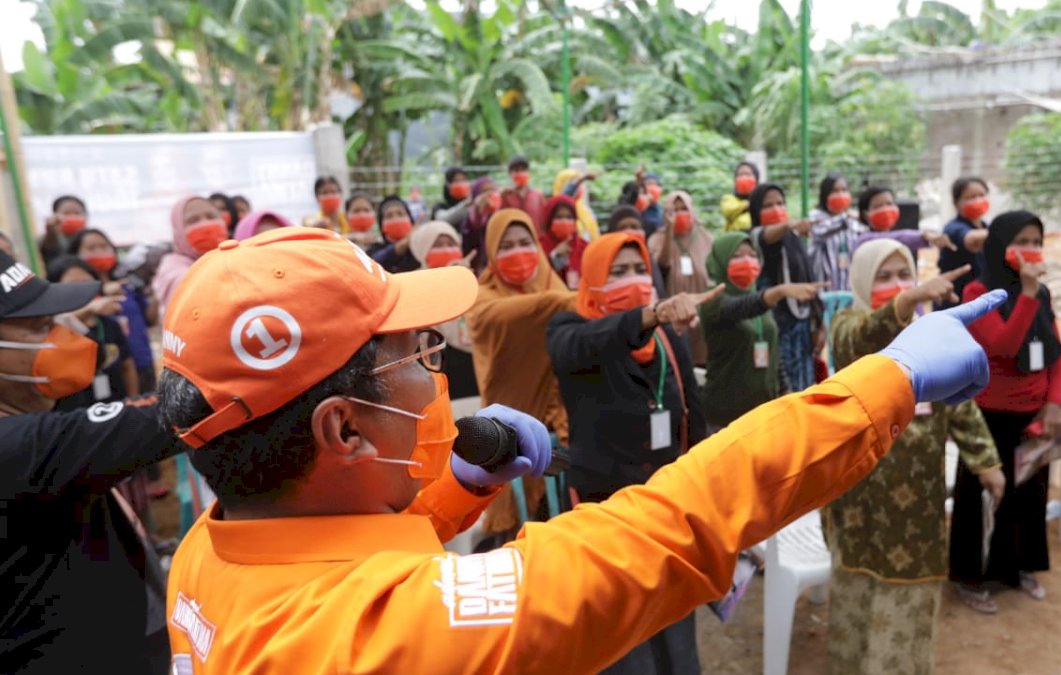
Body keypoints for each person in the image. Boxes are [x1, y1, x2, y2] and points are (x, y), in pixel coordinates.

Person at [154, 225, 1009, 673]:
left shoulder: (209, 547)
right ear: (342, 429)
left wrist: (452, 487)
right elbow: (665, 525)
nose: (435, 374)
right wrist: (887, 381)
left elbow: (332, 557)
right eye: (415, 356)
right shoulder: (385, 632)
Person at [824, 239, 1004, 672]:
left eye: (904, 274)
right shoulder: (848, 322)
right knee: (857, 591)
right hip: (859, 502)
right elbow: (857, 344)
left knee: (909, 596)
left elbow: (959, 401)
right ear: (862, 281)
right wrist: (909, 299)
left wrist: (986, 461)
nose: (897, 285)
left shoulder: (933, 334)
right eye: (883, 277)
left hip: (918, 507)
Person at [0, 249, 182, 674]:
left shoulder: (30, 427)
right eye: (41, 328)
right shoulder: (17, 447)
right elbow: (173, 415)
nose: (64, 340)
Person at [547, 232, 713, 674]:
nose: (633, 279)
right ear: (592, 281)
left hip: (667, 513)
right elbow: (582, 346)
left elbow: (693, 421)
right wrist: (649, 313)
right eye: (617, 272)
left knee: (677, 639)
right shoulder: (569, 332)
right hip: (605, 515)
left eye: (639, 269)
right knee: (622, 643)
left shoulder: (668, 343)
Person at [950, 210, 1061, 612]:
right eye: (1022, 240)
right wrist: (1028, 298)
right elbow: (1001, 345)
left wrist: (1054, 402)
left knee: (1029, 496)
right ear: (1000, 244)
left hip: (1036, 414)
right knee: (980, 498)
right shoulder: (976, 293)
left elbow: (1056, 354)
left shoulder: (1042, 293)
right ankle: (970, 575)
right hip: (988, 415)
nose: (1031, 249)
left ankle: (1020, 568)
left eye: (1037, 240)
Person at [467, 209, 576, 539]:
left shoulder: (551, 283)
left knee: (562, 532)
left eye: (525, 242)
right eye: (506, 246)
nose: (518, 252)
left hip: (562, 429)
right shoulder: (484, 299)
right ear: (491, 253)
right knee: (516, 537)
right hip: (509, 436)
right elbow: (500, 316)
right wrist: (571, 302)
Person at [699, 232, 824, 430]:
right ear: (720, 260)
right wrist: (779, 291)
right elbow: (741, 308)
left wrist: (785, 390)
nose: (747, 261)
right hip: (727, 417)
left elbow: (772, 348)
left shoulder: (758, 297)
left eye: (752, 254)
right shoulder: (712, 302)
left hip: (765, 412)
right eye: (737, 256)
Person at [749, 182, 823, 392]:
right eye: (768, 205)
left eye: (780, 203)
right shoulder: (753, 238)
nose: (776, 209)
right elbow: (764, 235)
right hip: (774, 330)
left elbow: (808, 278)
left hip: (800, 329)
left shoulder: (794, 240)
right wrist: (788, 225)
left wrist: (818, 321)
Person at [68, 228, 159, 393]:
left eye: (104, 246)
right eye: (91, 248)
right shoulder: (75, 288)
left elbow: (149, 320)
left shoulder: (129, 284)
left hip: (143, 362)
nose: (99, 252)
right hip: (109, 370)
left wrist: (154, 294)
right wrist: (101, 294)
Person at [46, 256, 139, 409]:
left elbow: (127, 366)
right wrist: (89, 309)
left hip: (116, 406)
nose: (82, 290)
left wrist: (133, 402)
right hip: (74, 414)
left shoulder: (109, 324)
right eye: (72, 285)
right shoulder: (54, 329)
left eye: (86, 283)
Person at [409, 220, 478, 399]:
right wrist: (447, 285)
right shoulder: (414, 284)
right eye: (437, 245)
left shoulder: (473, 280)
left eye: (451, 244)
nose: (446, 249)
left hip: (473, 367)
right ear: (423, 250)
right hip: (436, 371)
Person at [648, 190, 713, 366]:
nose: (680, 214)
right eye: (674, 210)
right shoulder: (657, 239)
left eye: (684, 208)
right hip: (674, 312)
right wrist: (669, 230)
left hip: (702, 312)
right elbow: (662, 266)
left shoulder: (706, 237)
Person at [153, 195, 228, 312]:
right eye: (193, 220)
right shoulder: (172, 267)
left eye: (211, 216)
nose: (205, 224)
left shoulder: (233, 255)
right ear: (178, 230)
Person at [854, 185, 955, 257]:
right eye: (878, 206)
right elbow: (897, 238)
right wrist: (923, 236)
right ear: (866, 214)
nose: (886, 209)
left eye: (889, 204)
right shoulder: (864, 240)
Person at [937, 176, 991, 307]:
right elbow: (971, 240)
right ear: (956, 203)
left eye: (982, 195)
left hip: (980, 300)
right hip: (955, 300)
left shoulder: (986, 227)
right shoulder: (953, 229)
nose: (978, 200)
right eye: (970, 197)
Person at [808, 173, 867, 291]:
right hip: (824, 287)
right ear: (825, 195)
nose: (840, 195)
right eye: (835, 191)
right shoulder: (816, 217)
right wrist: (845, 217)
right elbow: (821, 231)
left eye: (844, 190)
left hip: (849, 287)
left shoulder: (854, 220)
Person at [607, 205, 667, 299]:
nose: (629, 231)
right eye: (622, 228)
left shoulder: (649, 261)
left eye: (634, 227)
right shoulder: (605, 263)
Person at [540, 194, 588, 289]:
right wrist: (554, 257)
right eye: (558, 217)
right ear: (549, 220)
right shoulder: (539, 246)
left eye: (569, 217)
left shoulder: (584, 247)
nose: (564, 221)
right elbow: (538, 277)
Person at [368, 195, 420, 273]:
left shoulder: (421, 248)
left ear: (410, 219)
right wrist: (404, 243)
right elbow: (373, 263)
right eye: (389, 216)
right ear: (382, 225)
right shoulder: (374, 250)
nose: (396, 218)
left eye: (400, 214)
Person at [464, 176, 502, 274]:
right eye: (484, 191)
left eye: (493, 190)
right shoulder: (470, 217)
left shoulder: (503, 212)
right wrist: (478, 213)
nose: (489, 194)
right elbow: (468, 243)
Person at [552, 169, 601, 242]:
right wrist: (582, 178)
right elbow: (564, 197)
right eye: (573, 183)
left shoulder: (585, 210)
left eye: (579, 185)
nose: (578, 187)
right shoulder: (555, 209)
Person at [500, 156, 547, 233]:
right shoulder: (505, 196)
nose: (520, 173)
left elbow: (544, 220)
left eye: (523, 170)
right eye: (516, 170)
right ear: (510, 174)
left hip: (536, 238)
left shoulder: (537, 195)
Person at [38, 194, 88, 266]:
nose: (72, 217)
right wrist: (51, 232)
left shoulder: (90, 238)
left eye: (77, 213)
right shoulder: (48, 239)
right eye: (67, 213)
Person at [721, 162, 758, 232]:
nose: (744, 177)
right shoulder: (728, 199)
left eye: (748, 174)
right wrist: (748, 204)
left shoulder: (763, 198)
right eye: (740, 175)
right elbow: (729, 211)